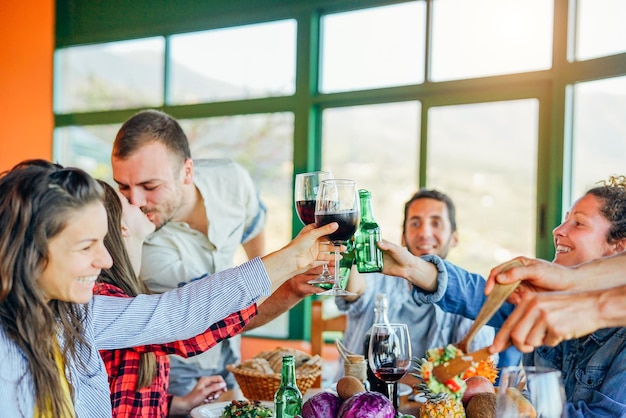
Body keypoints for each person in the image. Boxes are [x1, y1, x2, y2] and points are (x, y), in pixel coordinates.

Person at [0, 159, 338, 417]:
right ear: (29, 251)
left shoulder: (75, 314)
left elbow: (178, 314)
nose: (104, 260)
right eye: (86, 246)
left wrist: (290, 261)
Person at [111, 109, 324, 395]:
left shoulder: (231, 180)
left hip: (230, 357)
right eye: (123, 187)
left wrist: (264, 279)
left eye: (150, 186)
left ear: (187, 171)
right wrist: (289, 288)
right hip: (175, 368)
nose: (135, 201)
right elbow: (211, 315)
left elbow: (253, 223)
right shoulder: (136, 239)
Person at [385, 179, 626, 416]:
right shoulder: (545, 301)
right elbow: (478, 295)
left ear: (619, 248)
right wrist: (411, 268)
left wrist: (511, 403)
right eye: (564, 220)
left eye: (578, 224)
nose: (558, 230)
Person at [95, 180, 245, 417]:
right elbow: (188, 328)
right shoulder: (106, 300)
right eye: (126, 199)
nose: (137, 201)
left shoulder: (131, 292)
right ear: (122, 227)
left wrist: (179, 403)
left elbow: (123, 396)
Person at [336, 189, 498, 369]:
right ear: (402, 237)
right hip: (362, 395)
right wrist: (347, 249)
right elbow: (355, 290)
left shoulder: (467, 296)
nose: (424, 233)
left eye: (436, 223)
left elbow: (481, 367)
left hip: (434, 397)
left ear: (454, 238)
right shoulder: (378, 276)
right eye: (415, 223)